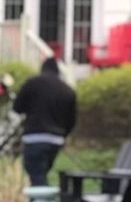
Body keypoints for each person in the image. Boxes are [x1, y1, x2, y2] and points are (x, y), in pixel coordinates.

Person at [4, 57, 78, 188]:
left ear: (42, 69)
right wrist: (63, 135)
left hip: (35, 137)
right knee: (40, 174)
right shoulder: (67, 90)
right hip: (55, 140)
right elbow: (71, 120)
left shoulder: (32, 83)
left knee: (37, 175)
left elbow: (17, 108)